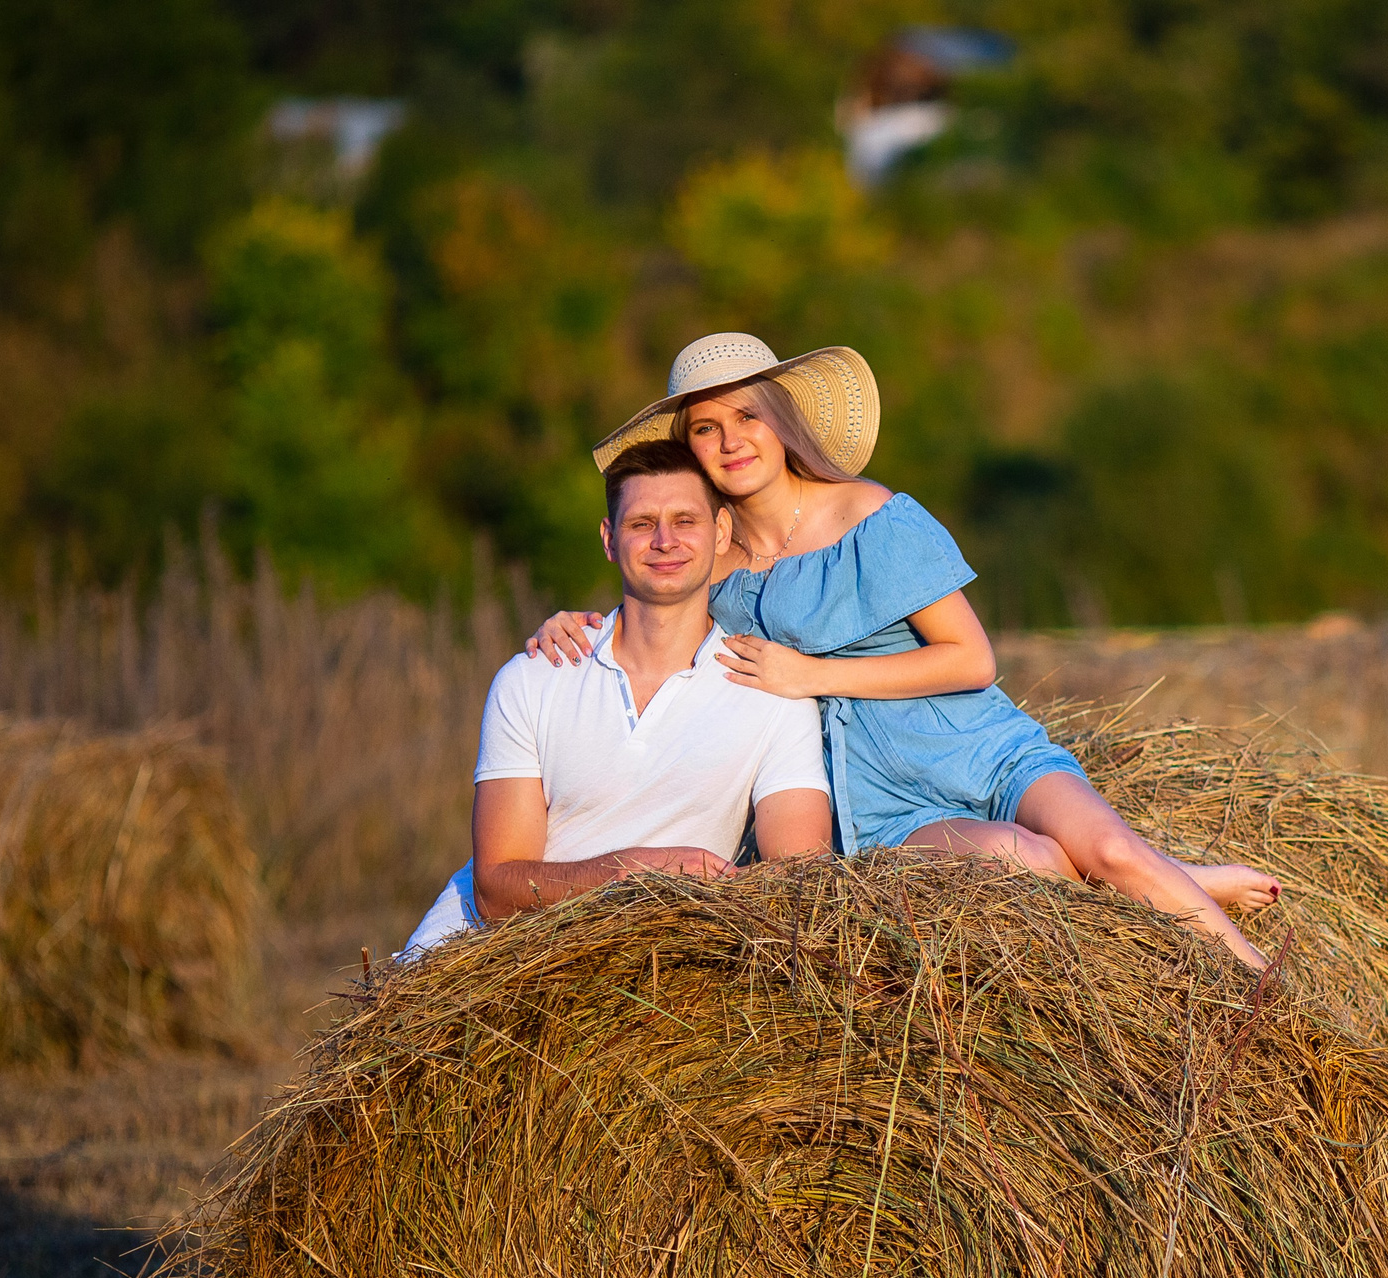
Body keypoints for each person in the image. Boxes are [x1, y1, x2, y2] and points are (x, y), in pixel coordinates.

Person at [528, 333, 1281, 970]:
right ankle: (1179, 879)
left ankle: (1264, 993)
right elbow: (651, 620)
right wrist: (572, 625)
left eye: (748, 415)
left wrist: (810, 674)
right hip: (871, 802)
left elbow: (972, 659)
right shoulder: (714, 564)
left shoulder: (870, 514)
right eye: (704, 428)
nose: (731, 440)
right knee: (1030, 862)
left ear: (781, 421)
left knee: (1111, 848)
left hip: (972, 744)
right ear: (687, 450)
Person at [401, 437, 831, 956]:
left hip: (666, 963)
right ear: (609, 538)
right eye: (641, 523)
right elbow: (496, 891)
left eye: (685, 521)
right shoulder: (534, 678)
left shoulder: (773, 692)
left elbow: (798, 882)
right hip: (484, 962)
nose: (665, 541)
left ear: (720, 533)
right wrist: (638, 868)